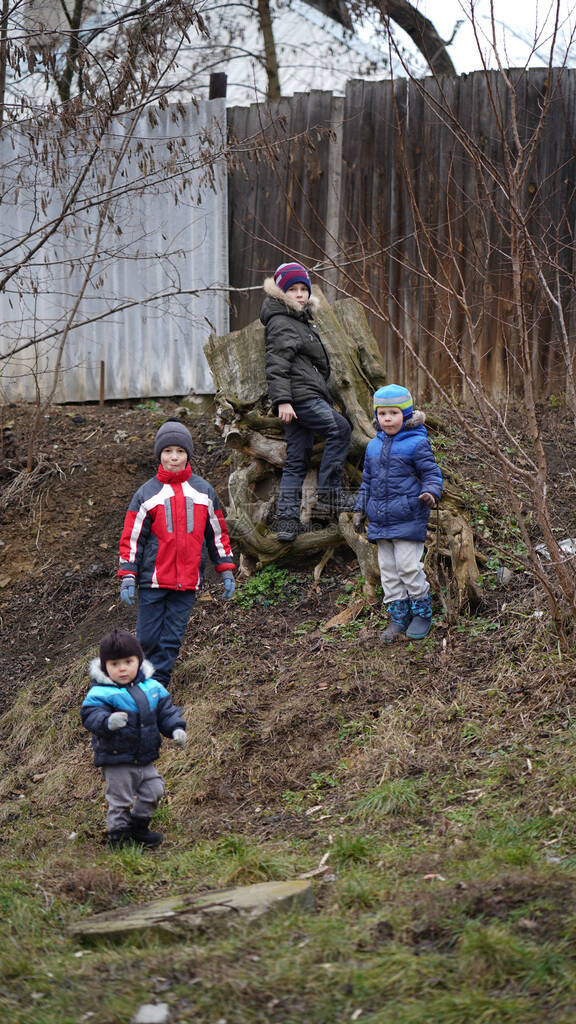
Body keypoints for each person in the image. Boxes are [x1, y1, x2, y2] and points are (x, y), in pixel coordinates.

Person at [118, 419, 236, 683]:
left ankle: (157, 691)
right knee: (147, 638)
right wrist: (128, 573)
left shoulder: (204, 491)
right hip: (154, 581)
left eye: (180, 451)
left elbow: (217, 533)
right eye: (168, 451)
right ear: (160, 454)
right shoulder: (147, 494)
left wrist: (226, 568)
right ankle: (136, 687)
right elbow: (132, 537)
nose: (174, 457)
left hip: (187, 582)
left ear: (188, 455)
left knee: (171, 640)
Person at [260, 260, 354, 543]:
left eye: (304, 289)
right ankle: (329, 495)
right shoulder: (282, 321)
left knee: (297, 460)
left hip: (301, 397)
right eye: (293, 289)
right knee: (340, 429)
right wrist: (283, 401)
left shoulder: (297, 320)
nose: (300, 294)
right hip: (300, 398)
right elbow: (276, 364)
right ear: (281, 293)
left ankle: (287, 522)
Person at [81, 628, 187, 848]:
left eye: (128, 662)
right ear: (104, 667)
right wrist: (107, 722)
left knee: (154, 789)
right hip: (116, 757)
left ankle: (139, 828)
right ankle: (118, 838)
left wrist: (176, 728)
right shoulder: (100, 692)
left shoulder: (152, 687)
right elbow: (91, 715)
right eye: (114, 664)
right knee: (120, 800)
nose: (122, 669)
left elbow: (165, 712)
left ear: (139, 660)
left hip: (144, 755)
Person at [353, 385, 443, 642]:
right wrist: (360, 509)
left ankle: (422, 613)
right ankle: (398, 616)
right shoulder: (372, 447)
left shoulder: (417, 443)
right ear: (376, 417)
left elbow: (432, 474)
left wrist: (431, 493)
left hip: (408, 516)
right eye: (382, 414)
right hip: (380, 520)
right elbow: (367, 482)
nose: (388, 419)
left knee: (407, 567)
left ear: (406, 415)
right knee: (389, 571)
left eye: (394, 413)